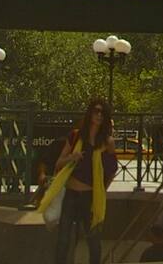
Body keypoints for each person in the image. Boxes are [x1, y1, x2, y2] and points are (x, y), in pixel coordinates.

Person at [39, 99, 116, 264]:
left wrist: (102, 191)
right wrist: (72, 157)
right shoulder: (76, 136)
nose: (99, 115)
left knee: (93, 240)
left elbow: (111, 170)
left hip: (90, 196)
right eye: (96, 111)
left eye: (103, 113)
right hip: (71, 194)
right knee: (64, 238)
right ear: (90, 113)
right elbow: (59, 163)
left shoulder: (107, 142)